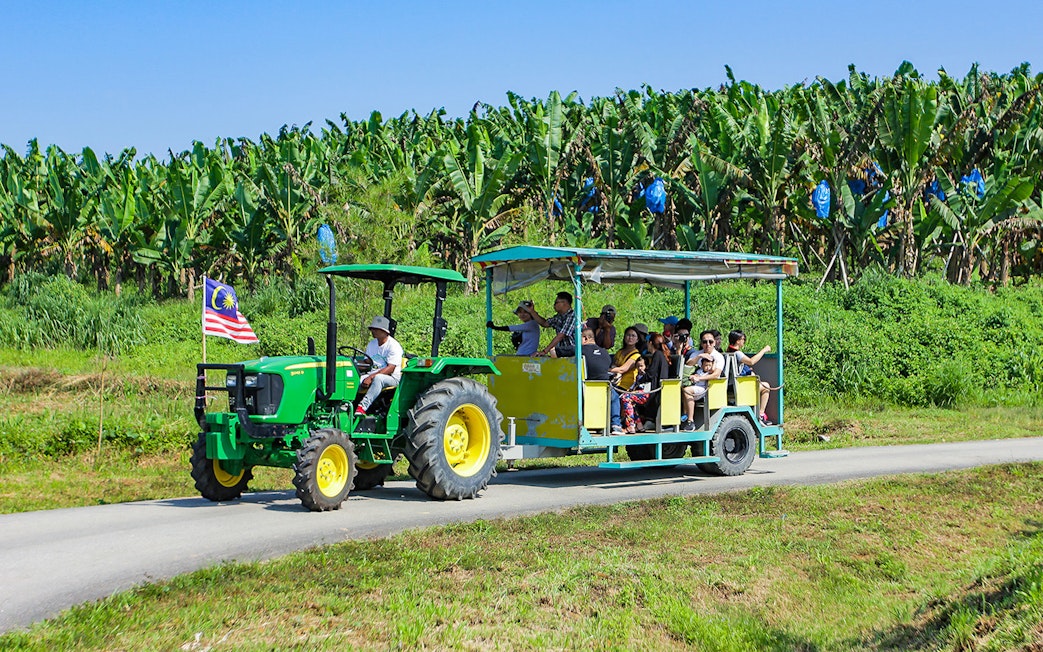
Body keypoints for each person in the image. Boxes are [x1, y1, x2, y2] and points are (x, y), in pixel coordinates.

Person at [354, 315, 404, 416]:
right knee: (353, 379)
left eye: (376, 329)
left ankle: (362, 407)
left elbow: (390, 368)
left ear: (385, 331)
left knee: (379, 379)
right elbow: (368, 362)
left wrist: (371, 377)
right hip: (372, 374)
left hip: (392, 378)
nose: (373, 331)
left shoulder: (394, 346)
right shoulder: (372, 344)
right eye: (372, 329)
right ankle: (347, 404)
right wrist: (353, 365)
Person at [580, 327, 624, 434]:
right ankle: (616, 424)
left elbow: (555, 353)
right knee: (614, 397)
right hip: (605, 387)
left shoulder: (580, 350)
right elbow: (608, 368)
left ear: (585, 338)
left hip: (587, 388)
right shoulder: (604, 353)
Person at [727, 329, 773, 425]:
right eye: (743, 339)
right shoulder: (737, 353)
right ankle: (761, 414)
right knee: (766, 386)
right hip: (737, 387)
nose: (744, 341)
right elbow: (751, 361)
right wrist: (764, 350)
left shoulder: (727, 352)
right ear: (737, 341)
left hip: (729, 386)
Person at [531, 291, 577, 358]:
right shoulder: (558, 317)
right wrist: (532, 311)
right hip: (562, 351)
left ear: (565, 303)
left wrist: (545, 351)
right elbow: (544, 323)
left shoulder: (573, 316)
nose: (554, 305)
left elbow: (561, 335)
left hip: (573, 352)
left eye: (556, 302)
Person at [680, 353, 717, 431]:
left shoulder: (709, 373)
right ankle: (685, 413)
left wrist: (713, 361)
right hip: (696, 387)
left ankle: (691, 421)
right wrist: (693, 377)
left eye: (709, 365)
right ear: (702, 365)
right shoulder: (699, 370)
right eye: (706, 365)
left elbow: (713, 369)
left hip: (702, 389)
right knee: (684, 390)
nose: (708, 367)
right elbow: (695, 375)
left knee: (687, 390)